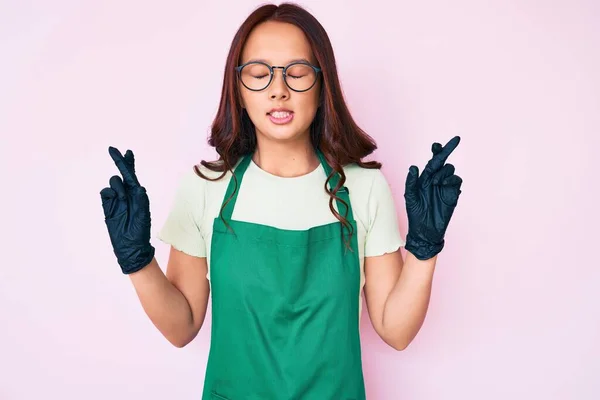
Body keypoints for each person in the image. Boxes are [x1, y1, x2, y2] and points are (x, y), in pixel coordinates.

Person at [100, 3, 463, 399]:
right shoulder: (205, 187)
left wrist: (424, 248)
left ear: (323, 87)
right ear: (237, 90)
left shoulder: (364, 188)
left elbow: (396, 331)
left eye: (297, 72)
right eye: (258, 74)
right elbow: (181, 326)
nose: (279, 89)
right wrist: (136, 258)